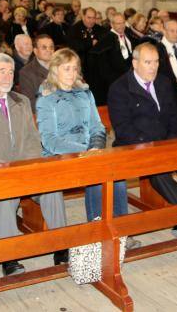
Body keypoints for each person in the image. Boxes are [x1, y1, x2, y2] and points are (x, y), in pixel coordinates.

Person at [0, 53, 68, 276]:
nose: (8, 76)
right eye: (2, 71)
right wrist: (3, 168)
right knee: (3, 196)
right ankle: (10, 257)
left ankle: (61, 246)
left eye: (10, 72)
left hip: (24, 167)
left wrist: (24, 166)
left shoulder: (21, 101)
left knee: (52, 188)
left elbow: (32, 138)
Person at [107, 43, 177, 241]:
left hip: (166, 144)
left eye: (156, 62)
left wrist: (171, 142)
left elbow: (175, 117)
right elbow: (123, 128)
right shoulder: (120, 88)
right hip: (135, 147)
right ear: (135, 63)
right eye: (148, 62)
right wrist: (152, 147)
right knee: (158, 171)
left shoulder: (164, 83)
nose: (153, 67)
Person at [36, 49, 138, 250]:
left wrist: (96, 147)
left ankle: (119, 231)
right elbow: (50, 140)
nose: (72, 73)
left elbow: (97, 126)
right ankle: (98, 232)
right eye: (67, 68)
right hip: (60, 156)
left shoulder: (84, 93)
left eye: (75, 68)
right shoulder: (46, 98)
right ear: (55, 69)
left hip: (90, 152)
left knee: (116, 175)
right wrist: (86, 150)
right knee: (97, 172)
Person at [89, 13, 134, 104]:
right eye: (118, 23)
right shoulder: (106, 39)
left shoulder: (128, 35)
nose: (121, 26)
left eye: (123, 23)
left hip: (128, 75)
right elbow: (103, 64)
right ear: (112, 24)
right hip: (113, 79)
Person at [19, 35, 54, 112]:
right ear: (35, 51)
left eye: (51, 47)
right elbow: (29, 103)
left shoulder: (61, 66)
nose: (49, 50)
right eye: (44, 48)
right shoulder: (26, 72)